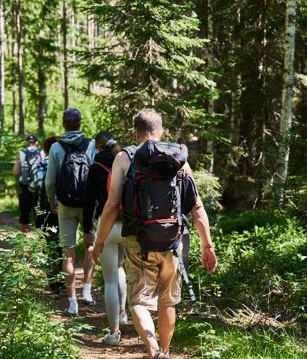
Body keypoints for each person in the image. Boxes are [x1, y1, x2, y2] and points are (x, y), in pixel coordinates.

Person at [92, 108, 218, 359]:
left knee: (138, 301)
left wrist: (100, 241)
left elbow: (112, 204)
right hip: (173, 240)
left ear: (136, 132)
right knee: (168, 301)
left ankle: (153, 353)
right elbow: (197, 207)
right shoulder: (179, 159)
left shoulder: (125, 157)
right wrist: (207, 245)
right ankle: (165, 352)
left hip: (138, 239)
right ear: (161, 131)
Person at [45, 108, 97, 316]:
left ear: (64, 124)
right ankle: (87, 291)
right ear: (80, 123)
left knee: (68, 253)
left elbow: (49, 181)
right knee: (90, 246)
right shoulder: (91, 144)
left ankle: (72, 302)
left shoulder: (56, 147)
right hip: (87, 205)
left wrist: (52, 202)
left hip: (65, 205)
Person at [83, 131, 128, 345]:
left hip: (106, 226)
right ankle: (124, 313)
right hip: (129, 226)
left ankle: (113, 333)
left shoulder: (95, 168)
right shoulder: (126, 160)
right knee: (122, 270)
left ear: (98, 147)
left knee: (110, 279)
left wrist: (87, 230)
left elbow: (89, 202)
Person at [35, 135, 64, 296]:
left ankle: (54, 285)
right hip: (63, 208)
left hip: (45, 210)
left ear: (46, 149)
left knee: (48, 245)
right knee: (61, 245)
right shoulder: (63, 163)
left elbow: (35, 185)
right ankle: (61, 280)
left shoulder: (41, 163)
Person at [12, 135, 45, 232]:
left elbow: (16, 172)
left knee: (24, 213)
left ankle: (23, 240)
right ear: (36, 143)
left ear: (27, 143)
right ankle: (41, 241)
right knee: (40, 213)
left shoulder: (21, 153)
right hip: (39, 187)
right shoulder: (42, 152)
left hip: (25, 187)